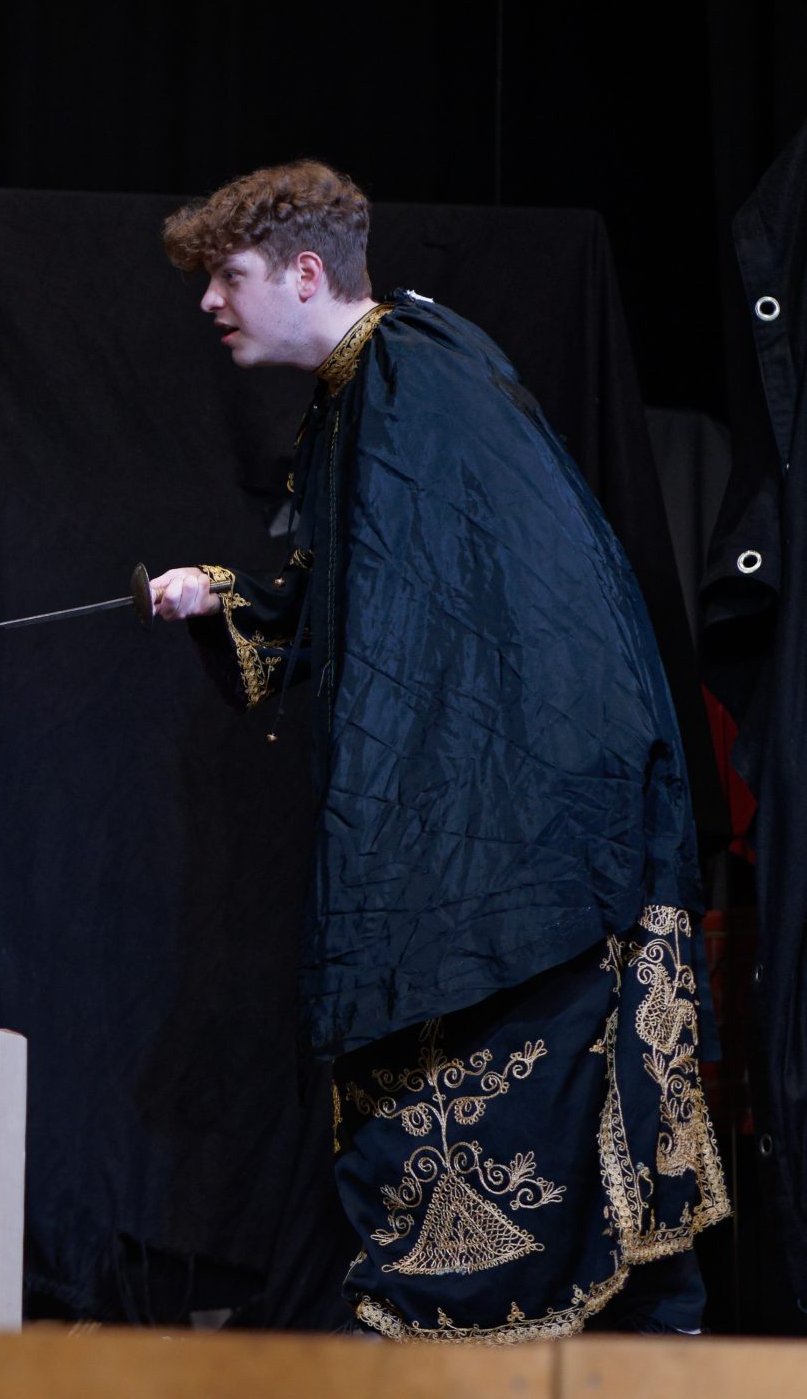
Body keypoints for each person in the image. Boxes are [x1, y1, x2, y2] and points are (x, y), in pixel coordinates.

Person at [147, 161, 726, 1340]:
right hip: (496, 811)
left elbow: (502, 614)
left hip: (531, 818)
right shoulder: (370, 385)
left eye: (229, 276)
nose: (210, 302)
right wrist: (224, 597)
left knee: (526, 1082)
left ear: (304, 273)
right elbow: (367, 600)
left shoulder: (416, 378)